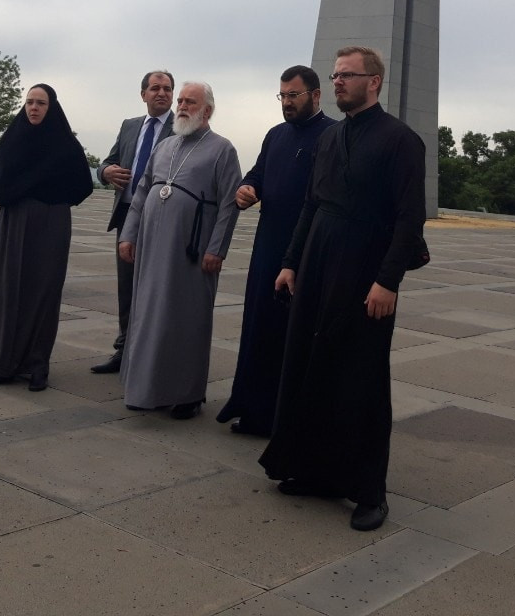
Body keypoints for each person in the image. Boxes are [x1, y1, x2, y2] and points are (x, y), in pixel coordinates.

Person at [260, 46, 425, 532]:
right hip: (318, 261)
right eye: (334, 75)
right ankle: (316, 472)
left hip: (365, 268)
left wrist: (388, 281)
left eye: (347, 75)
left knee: (361, 377)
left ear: (373, 81)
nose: (337, 82)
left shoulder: (401, 140)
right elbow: (312, 204)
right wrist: (291, 262)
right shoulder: (330, 138)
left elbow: (409, 219)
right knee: (311, 365)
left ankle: (370, 491)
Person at [216, 65, 336, 437]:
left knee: (292, 337)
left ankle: (286, 420)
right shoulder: (276, 135)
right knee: (260, 328)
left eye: (293, 95)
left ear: (316, 95)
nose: (286, 102)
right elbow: (258, 173)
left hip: (305, 251)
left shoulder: (332, 135)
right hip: (268, 247)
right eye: (282, 96)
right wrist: (247, 189)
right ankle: (254, 410)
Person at [118, 82, 241, 418]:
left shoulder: (222, 149)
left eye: (191, 102)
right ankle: (145, 389)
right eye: (182, 101)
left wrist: (217, 249)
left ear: (208, 111)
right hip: (152, 246)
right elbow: (142, 192)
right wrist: (129, 235)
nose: (182, 106)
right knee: (148, 315)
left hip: (192, 250)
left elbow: (229, 204)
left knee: (187, 318)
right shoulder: (165, 146)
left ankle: (187, 395)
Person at [0, 84, 93, 391]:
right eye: (30, 102)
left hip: (52, 223)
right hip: (14, 222)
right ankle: (2, 362)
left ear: (52, 108)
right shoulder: (13, 138)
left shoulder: (65, 144)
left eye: (41, 103)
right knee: (7, 288)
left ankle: (38, 365)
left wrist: (54, 198)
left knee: (43, 292)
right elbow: (2, 181)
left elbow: (82, 183)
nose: (34, 108)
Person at [90, 70, 175, 373]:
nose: (161, 93)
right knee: (126, 287)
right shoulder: (130, 126)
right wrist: (105, 172)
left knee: (156, 289)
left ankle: (151, 354)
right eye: (155, 88)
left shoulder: (182, 127)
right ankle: (123, 350)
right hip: (127, 215)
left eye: (167, 88)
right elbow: (108, 161)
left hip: (162, 219)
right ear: (143, 94)